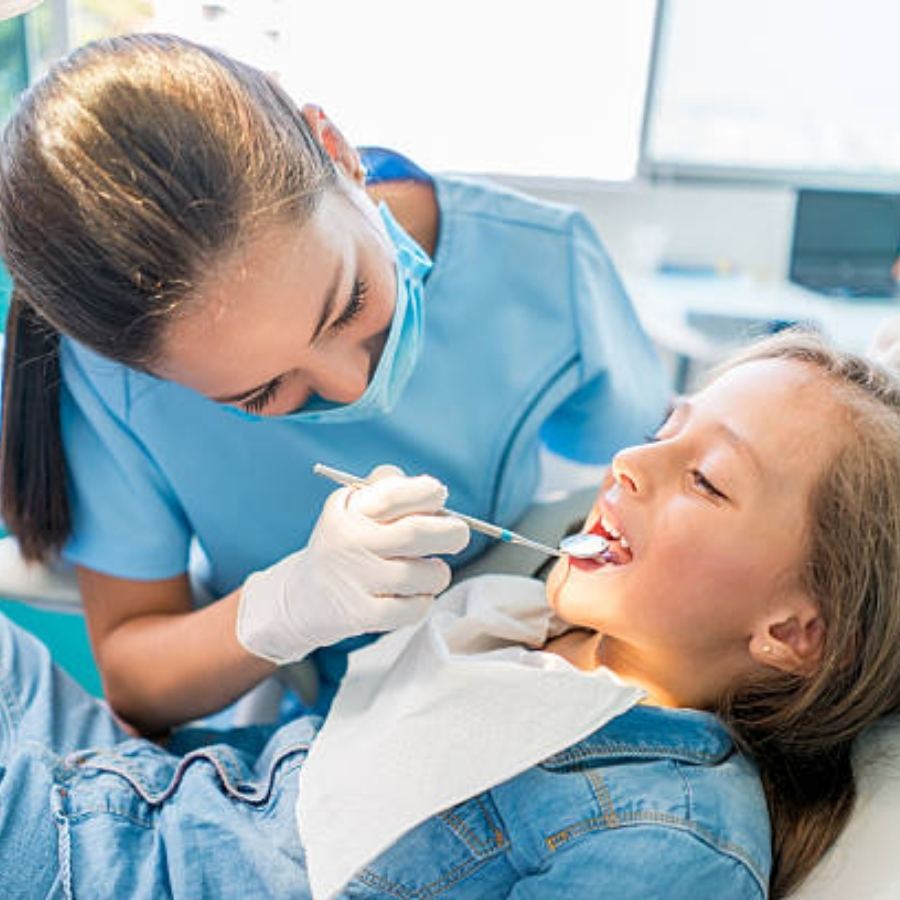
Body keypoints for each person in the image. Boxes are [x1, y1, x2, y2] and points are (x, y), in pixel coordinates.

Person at [2, 332, 900, 899]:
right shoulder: (513, 628)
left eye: (706, 480)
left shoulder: (670, 841)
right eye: (666, 429)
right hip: (124, 788)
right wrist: (297, 599)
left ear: (792, 632)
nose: (630, 461)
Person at [0, 34, 668, 733]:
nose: (353, 387)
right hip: (311, 733)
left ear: (335, 149)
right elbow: (136, 677)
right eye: (259, 394)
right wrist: (287, 608)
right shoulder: (111, 384)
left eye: (349, 303)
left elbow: (653, 478)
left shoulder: (544, 262)